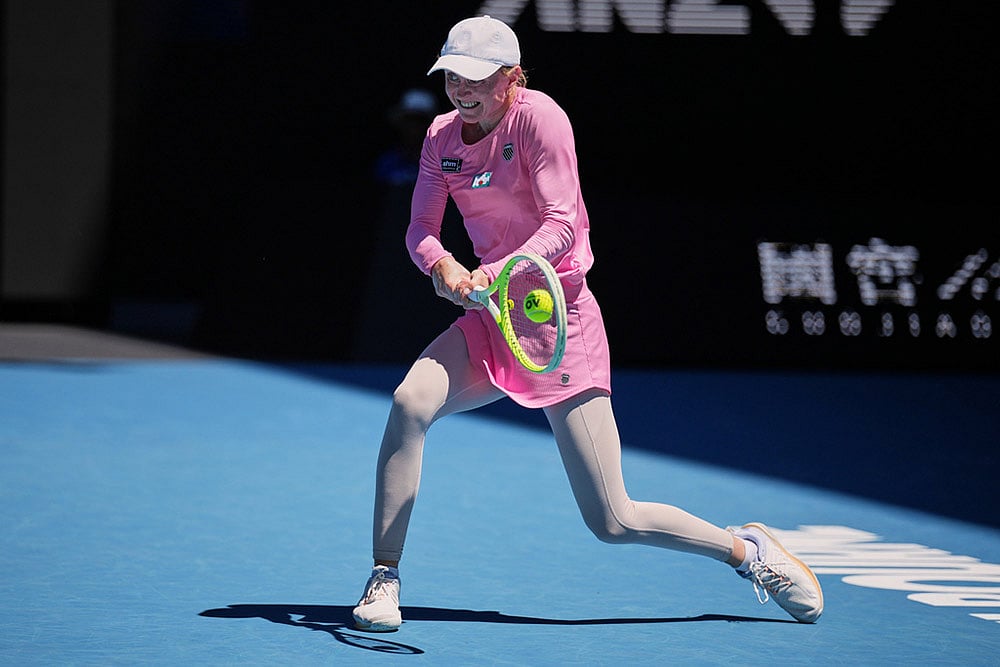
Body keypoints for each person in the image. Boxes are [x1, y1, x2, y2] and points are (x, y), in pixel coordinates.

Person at [351, 15, 823, 631]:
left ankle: (746, 551)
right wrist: (443, 266)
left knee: (613, 520)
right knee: (409, 402)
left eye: (476, 78)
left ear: (511, 77)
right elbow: (421, 230)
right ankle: (384, 576)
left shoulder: (540, 119)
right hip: (492, 319)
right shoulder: (441, 136)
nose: (461, 90)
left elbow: (563, 223)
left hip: (560, 320)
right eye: (452, 77)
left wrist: (500, 269)